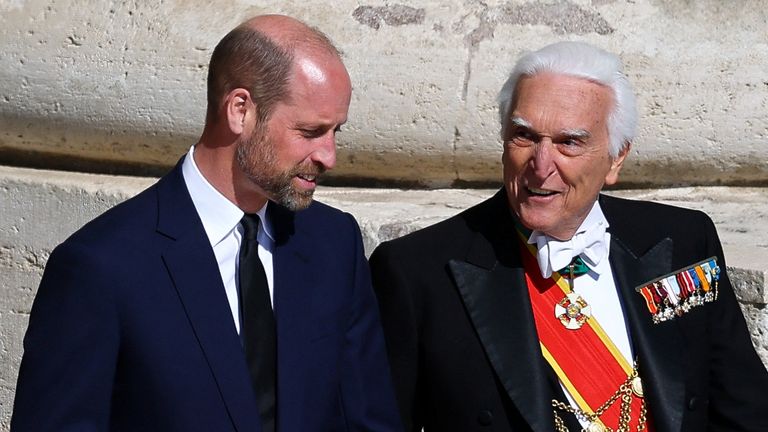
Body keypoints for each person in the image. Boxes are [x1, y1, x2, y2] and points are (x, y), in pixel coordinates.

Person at [12, 15, 401, 432]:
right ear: (240, 110)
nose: (330, 156)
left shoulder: (333, 243)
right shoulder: (102, 267)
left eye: (336, 131)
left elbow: (368, 418)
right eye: (310, 131)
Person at [370, 41, 768, 432]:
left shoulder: (683, 240)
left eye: (569, 142)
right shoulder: (417, 272)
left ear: (616, 158)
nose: (541, 166)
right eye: (524, 136)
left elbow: (745, 409)